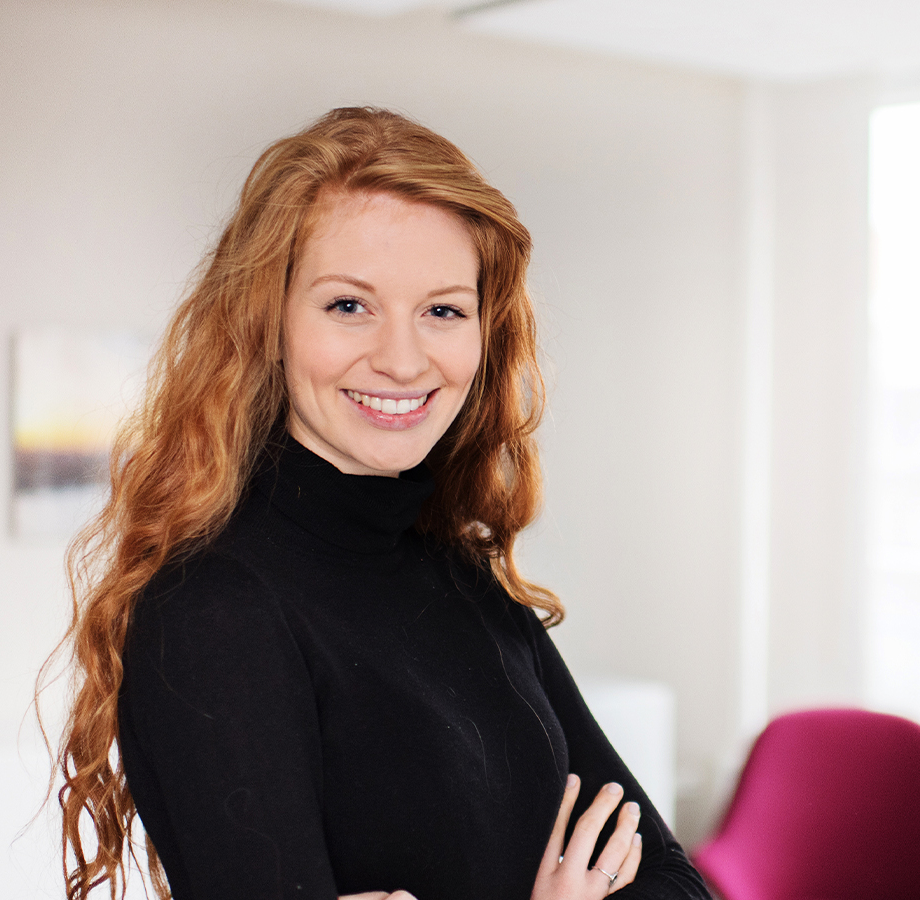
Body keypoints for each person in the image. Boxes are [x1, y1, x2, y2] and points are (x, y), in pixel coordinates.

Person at [51, 107, 712, 900]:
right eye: (349, 305)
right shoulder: (215, 614)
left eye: (442, 310)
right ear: (270, 325)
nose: (403, 360)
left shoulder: (461, 573)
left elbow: (674, 879)